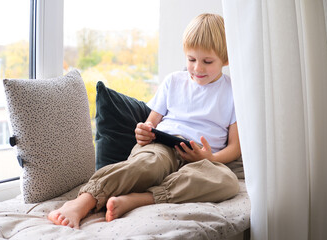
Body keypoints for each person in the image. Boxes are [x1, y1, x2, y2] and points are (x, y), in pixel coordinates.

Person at [48, 13, 241, 229]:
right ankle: (84, 201)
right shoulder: (173, 82)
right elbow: (151, 123)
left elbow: (234, 147)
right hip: (164, 146)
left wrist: (210, 157)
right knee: (148, 165)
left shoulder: (234, 92)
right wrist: (144, 131)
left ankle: (140, 199)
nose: (197, 68)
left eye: (207, 61)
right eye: (191, 60)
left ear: (226, 59)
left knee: (227, 182)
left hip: (202, 160)